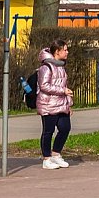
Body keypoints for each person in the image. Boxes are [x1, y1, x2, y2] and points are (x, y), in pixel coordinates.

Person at [37, 39, 73, 170]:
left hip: (61, 104)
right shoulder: (46, 67)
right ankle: (46, 159)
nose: (67, 52)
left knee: (65, 128)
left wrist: (69, 104)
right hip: (48, 104)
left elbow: (64, 85)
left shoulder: (61, 66)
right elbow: (44, 86)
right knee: (48, 131)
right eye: (65, 49)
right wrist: (62, 91)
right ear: (57, 52)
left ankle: (56, 154)